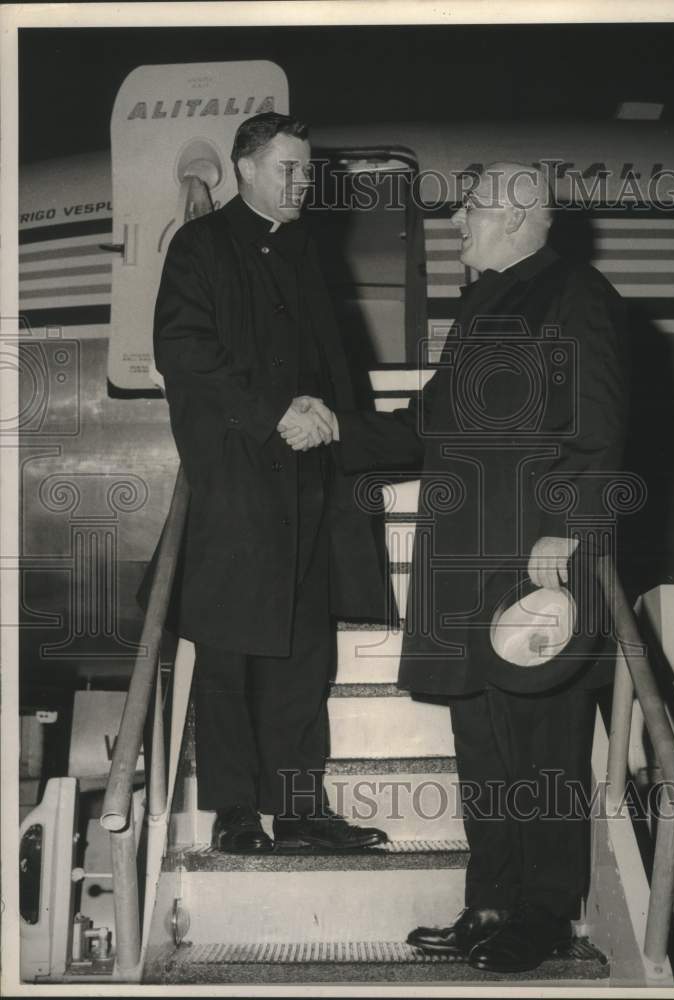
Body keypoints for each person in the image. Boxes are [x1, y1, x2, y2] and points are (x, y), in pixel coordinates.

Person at [292, 162, 628, 972]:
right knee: (482, 744)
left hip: (532, 562)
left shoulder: (573, 297)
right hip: (470, 562)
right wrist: (332, 428)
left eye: (470, 210)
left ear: (514, 219)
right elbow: (427, 425)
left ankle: (542, 915)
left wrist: (570, 532)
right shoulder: (486, 304)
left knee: (542, 747)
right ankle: (491, 903)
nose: (456, 225)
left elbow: (601, 429)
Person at [151, 112, 391, 854]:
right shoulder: (199, 247)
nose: (302, 181)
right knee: (229, 651)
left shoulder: (308, 250)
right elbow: (181, 350)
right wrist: (272, 414)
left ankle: (298, 808)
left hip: (311, 484)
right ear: (246, 168)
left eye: (307, 168)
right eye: (289, 168)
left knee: (303, 653)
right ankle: (232, 814)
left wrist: (332, 421)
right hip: (241, 485)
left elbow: (332, 359)